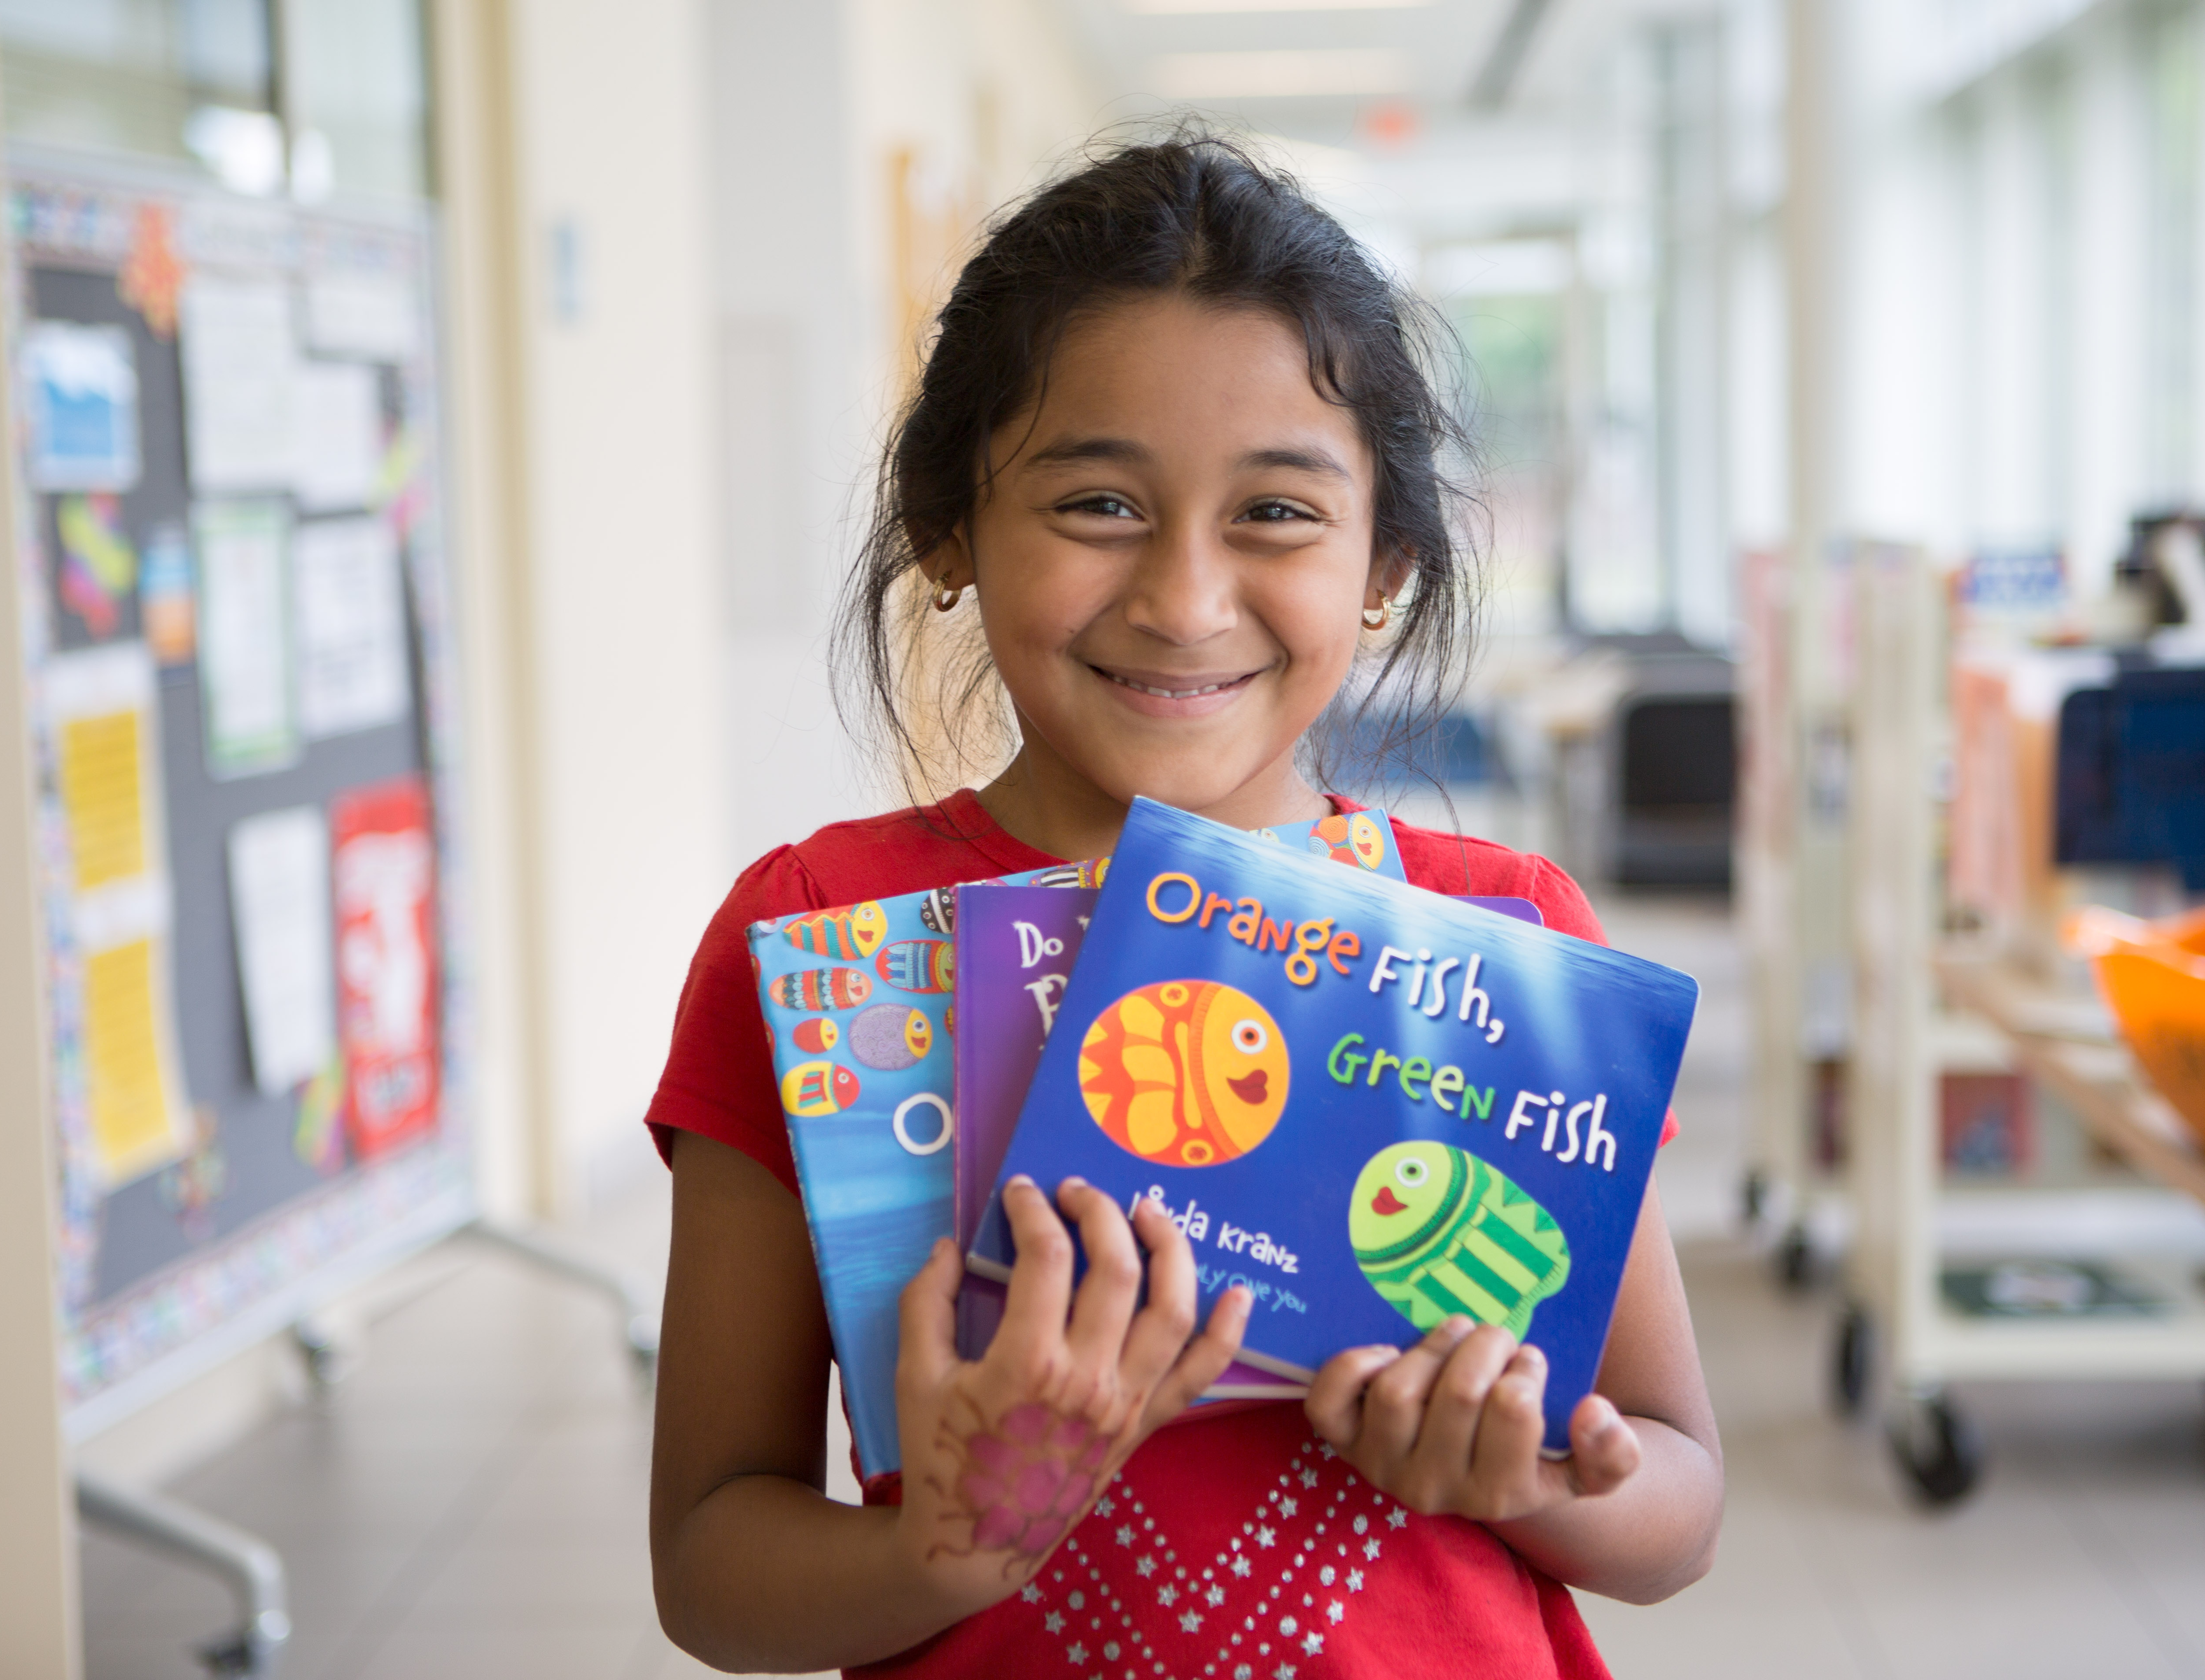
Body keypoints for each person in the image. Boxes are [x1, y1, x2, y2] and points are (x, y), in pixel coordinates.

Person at [645, 130, 1723, 1678]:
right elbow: (709, 1558)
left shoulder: (1506, 940)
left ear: (1384, 563)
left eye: (1277, 514)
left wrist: (1543, 1486)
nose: (1185, 599)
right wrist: (935, 1554)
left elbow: (1679, 1505)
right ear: (949, 526)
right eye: (1097, 504)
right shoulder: (819, 936)